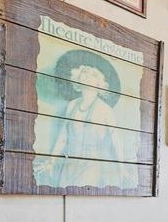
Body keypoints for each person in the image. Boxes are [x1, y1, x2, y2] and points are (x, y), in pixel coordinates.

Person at [34, 49, 138, 189]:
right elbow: (63, 136)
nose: (87, 75)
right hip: (69, 164)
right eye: (84, 71)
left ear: (100, 83)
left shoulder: (104, 110)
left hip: (92, 166)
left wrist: (122, 168)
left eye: (93, 74)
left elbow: (115, 141)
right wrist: (52, 161)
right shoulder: (71, 106)